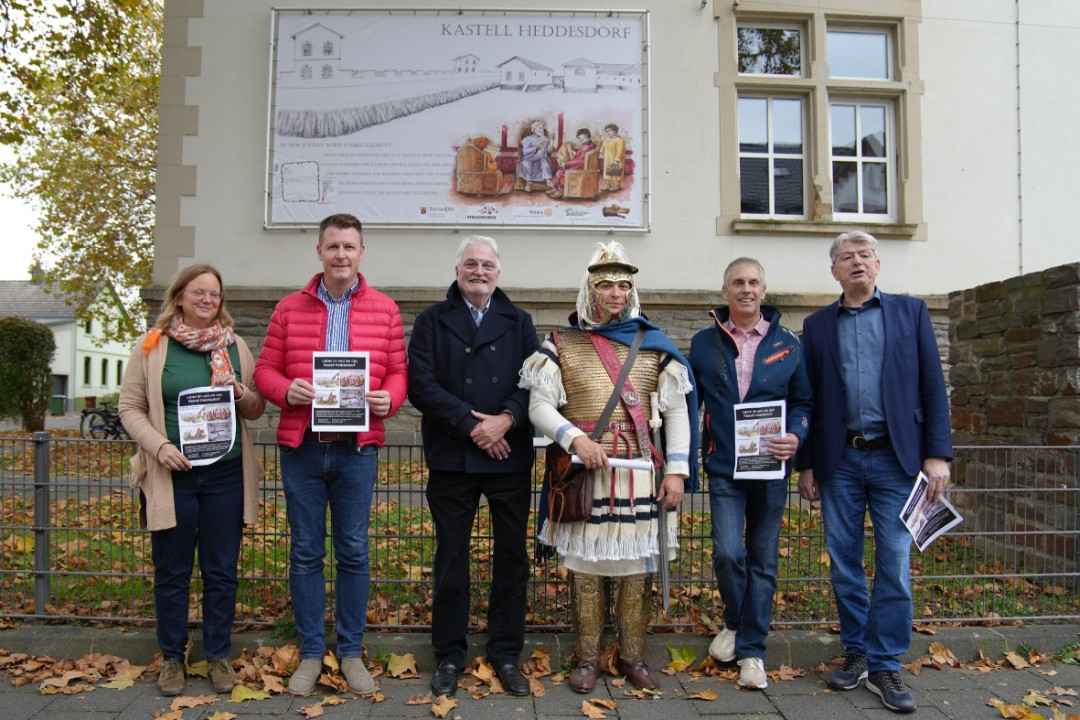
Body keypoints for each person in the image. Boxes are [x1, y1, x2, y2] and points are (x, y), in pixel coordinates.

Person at [519, 241, 698, 694]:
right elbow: (539, 406)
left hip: (639, 472)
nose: (616, 293)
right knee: (584, 567)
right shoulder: (561, 344)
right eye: (606, 285)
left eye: (623, 285)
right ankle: (586, 657)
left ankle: (633, 655)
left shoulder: (654, 346)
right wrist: (574, 437)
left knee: (637, 569)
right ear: (590, 290)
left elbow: (676, 412)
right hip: (584, 472)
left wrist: (676, 471)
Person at [795, 231, 952, 714]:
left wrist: (938, 454)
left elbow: (933, 386)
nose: (857, 262)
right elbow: (809, 398)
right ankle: (857, 651)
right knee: (843, 563)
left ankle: (885, 663)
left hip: (897, 461)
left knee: (894, 565)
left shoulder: (912, 313)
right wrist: (806, 464)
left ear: (878, 265)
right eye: (847, 257)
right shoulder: (817, 325)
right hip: (839, 461)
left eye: (864, 255)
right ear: (834, 271)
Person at [253, 213, 408, 697]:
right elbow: (263, 371)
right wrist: (286, 391)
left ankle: (351, 652)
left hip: (356, 450)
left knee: (355, 550)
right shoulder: (288, 309)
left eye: (350, 247)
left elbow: (398, 372)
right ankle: (310, 651)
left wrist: (390, 399)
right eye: (333, 246)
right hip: (303, 448)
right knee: (304, 552)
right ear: (319, 252)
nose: (341, 255)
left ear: (362, 253)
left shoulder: (384, 309)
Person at [118, 264, 266, 697]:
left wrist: (239, 392)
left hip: (224, 474)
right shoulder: (152, 346)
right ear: (179, 297)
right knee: (172, 571)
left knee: (221, 571)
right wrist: (157, 446)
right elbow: (129, 408)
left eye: (214, 294)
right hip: (171, 474)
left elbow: (255, 408)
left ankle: (218, 654)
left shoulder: (234, 346)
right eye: (198, 292)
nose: (207, 300)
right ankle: (172, 659)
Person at [407, 235, 539, 698]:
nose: (478, 271)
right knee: (451, 559)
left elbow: (535, 383)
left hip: (509, 455)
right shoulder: (431, 320)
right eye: (470, 264)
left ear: (498, 273)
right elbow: (419, 385)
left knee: (512, 560)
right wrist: (470, 426)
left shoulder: (519, 321)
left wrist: (505, 420)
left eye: (486, 264)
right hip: (452, 457)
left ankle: (506, 653)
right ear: (457, 270)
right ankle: (448, 655)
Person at [688, 258, 811, 690]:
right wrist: (685, 459)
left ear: (763, 290)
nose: (746, 289)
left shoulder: (789, 344)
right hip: (724, 466)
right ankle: (738, 622)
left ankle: (751, 650)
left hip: (772, 470)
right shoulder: (704, 343)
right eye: (738, 282)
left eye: (753, 282)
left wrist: (796, 436)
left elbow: (804, 405)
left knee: (763, 560)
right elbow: (689, 407)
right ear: (725, 292)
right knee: (726, 553)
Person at [548, 128, 596, 199]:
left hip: (581, 167)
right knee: (562, 169)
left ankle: (561, 190)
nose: (578, 138)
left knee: (560, 172)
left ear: (585, 135)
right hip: (583, 165)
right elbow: (582, 158)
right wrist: (575, 154)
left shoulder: (586, 147)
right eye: (578, 137)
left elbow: (581, 161)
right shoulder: (590, 144)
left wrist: (566, 164)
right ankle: (556, 187)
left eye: (580, 136)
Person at [517, 120, 553, 192]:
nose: (542, 130)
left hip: (540, 159)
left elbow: (549, 152)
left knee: (545, 164)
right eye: (540, 128)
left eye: (542, 128)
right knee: (527, 165)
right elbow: (524, 152)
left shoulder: (544, 139)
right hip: (529, 158)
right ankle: (529, 183)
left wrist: (552, 141)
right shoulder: (527, 139)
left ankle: (548, 180)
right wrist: (536, 148)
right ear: (534, 129)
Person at [599, 123, 626, 190]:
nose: (608, 132)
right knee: (608, 173)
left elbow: (620, 151)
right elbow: (602, 149)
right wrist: (600, 152)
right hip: (607, 159)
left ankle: (615, 186)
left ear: (615, 131)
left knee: (615, 173)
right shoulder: (607, 140)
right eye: (607, 131)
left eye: (609, 130)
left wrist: (616, 160)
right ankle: (608, 185)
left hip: (616, 159)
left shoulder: (620, 140)